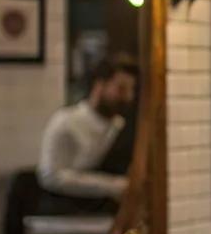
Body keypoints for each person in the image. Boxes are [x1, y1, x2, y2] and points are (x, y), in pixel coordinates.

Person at [37, 56, 138, 203]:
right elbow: (50, 176)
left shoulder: (121, 127)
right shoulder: (65, 122)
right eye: (121, 89)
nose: (128, 97)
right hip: (65, 210)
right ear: (100, 85)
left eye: (131, 90)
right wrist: (113, 186)